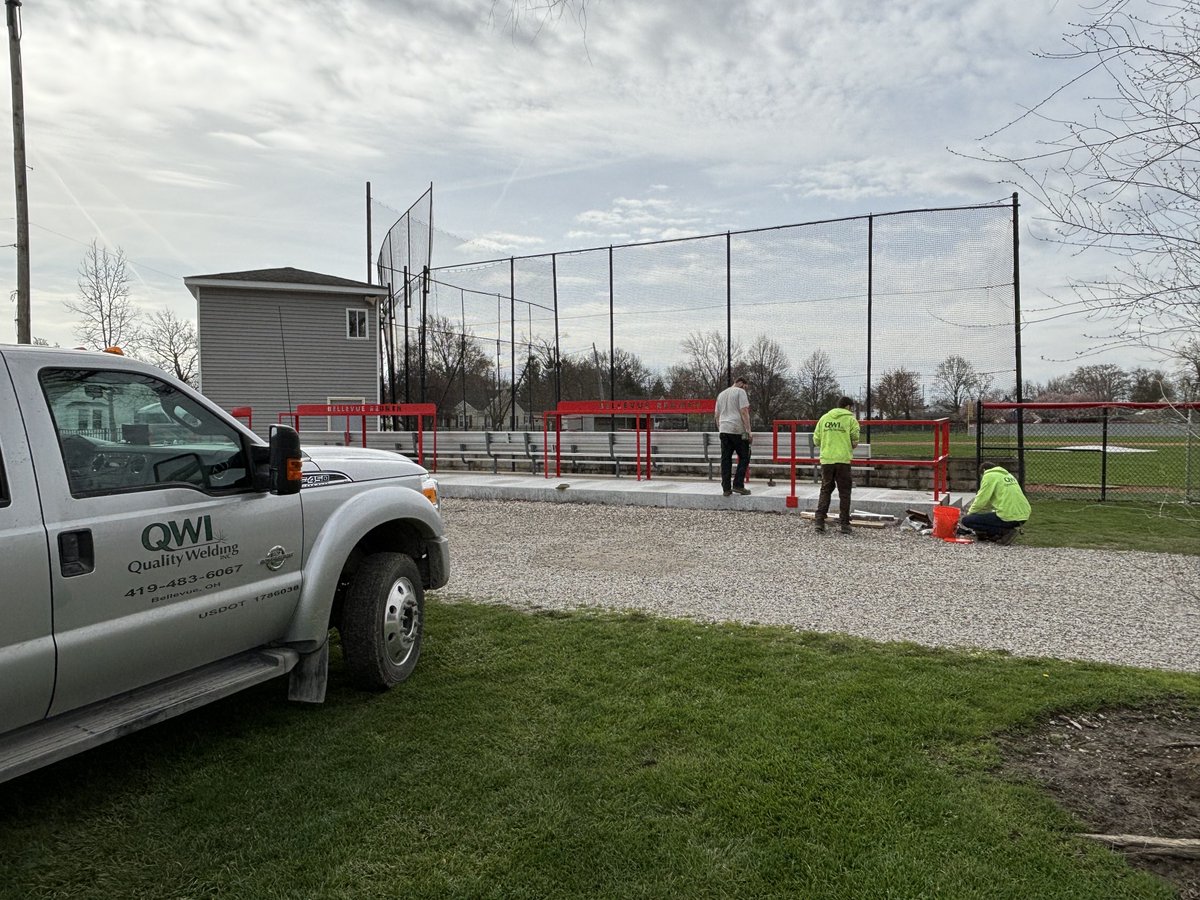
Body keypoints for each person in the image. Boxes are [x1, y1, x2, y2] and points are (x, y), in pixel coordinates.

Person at [813, 396, 861, 534]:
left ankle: (819, 521)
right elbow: (855, 442)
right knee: (844, 492)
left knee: (825, 489)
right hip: (843, 460)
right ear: (848, 407)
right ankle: (845, 523)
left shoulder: (824, 418)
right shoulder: (851, 420)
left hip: (827, 460)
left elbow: (816, 440)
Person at [961, 462, 1030, 545]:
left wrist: (970, 513)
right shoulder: (1007, 475)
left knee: (967, 521)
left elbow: (981, 499)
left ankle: (1004, 532)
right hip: (1024, 515)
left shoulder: (989, 476)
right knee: (989, 516)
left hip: (1008, 516)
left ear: (984, 470)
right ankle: (993, 534)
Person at [714, 375, 752, 496]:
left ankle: (726, 488)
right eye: (745, 387)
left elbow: (716, 415)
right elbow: (744, 411)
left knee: (725, 459)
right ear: (741, 383)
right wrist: (748, 431)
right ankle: (738, 484)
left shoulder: (721, 394)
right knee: (745, 456)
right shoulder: (740, 392)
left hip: (724, 429)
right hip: (737, 429)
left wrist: (721, 428)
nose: (745, 390)